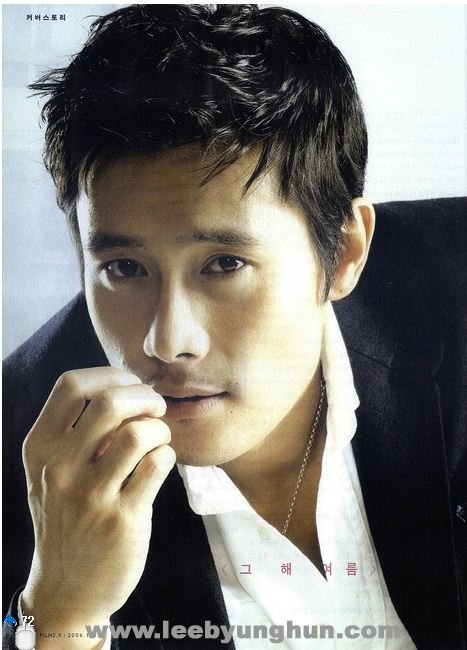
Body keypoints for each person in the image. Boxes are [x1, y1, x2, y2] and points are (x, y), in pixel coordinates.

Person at [3, 5, 466, 649]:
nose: (166, 341)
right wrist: (55, 613)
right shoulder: (13, 446)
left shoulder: (454, 292)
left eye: (224, 264)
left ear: (343, 254)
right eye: (124, 269)